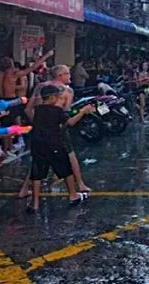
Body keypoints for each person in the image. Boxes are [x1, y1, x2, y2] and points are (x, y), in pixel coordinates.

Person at [20, 65, 93, 196]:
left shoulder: (40, 87)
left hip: (39, 130)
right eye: (67, 74)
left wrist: (38, 123)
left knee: (37, 159)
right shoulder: (67, 91)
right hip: (57, 129)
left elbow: (28, 110)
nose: (70, 76)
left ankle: (24, 189)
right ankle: (79, 184)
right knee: (70, 155)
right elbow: (65, 114)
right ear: (60, 75)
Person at [27, 84, 95, 212]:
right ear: (52, 98)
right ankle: (73, 196)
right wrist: (83, 112)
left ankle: (34, 203)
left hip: (37, 145)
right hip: (54, 144)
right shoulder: (57, 111)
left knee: (36, 174)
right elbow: (70, 122)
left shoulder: (37, 110)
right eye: (59, 97)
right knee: (66, 170)